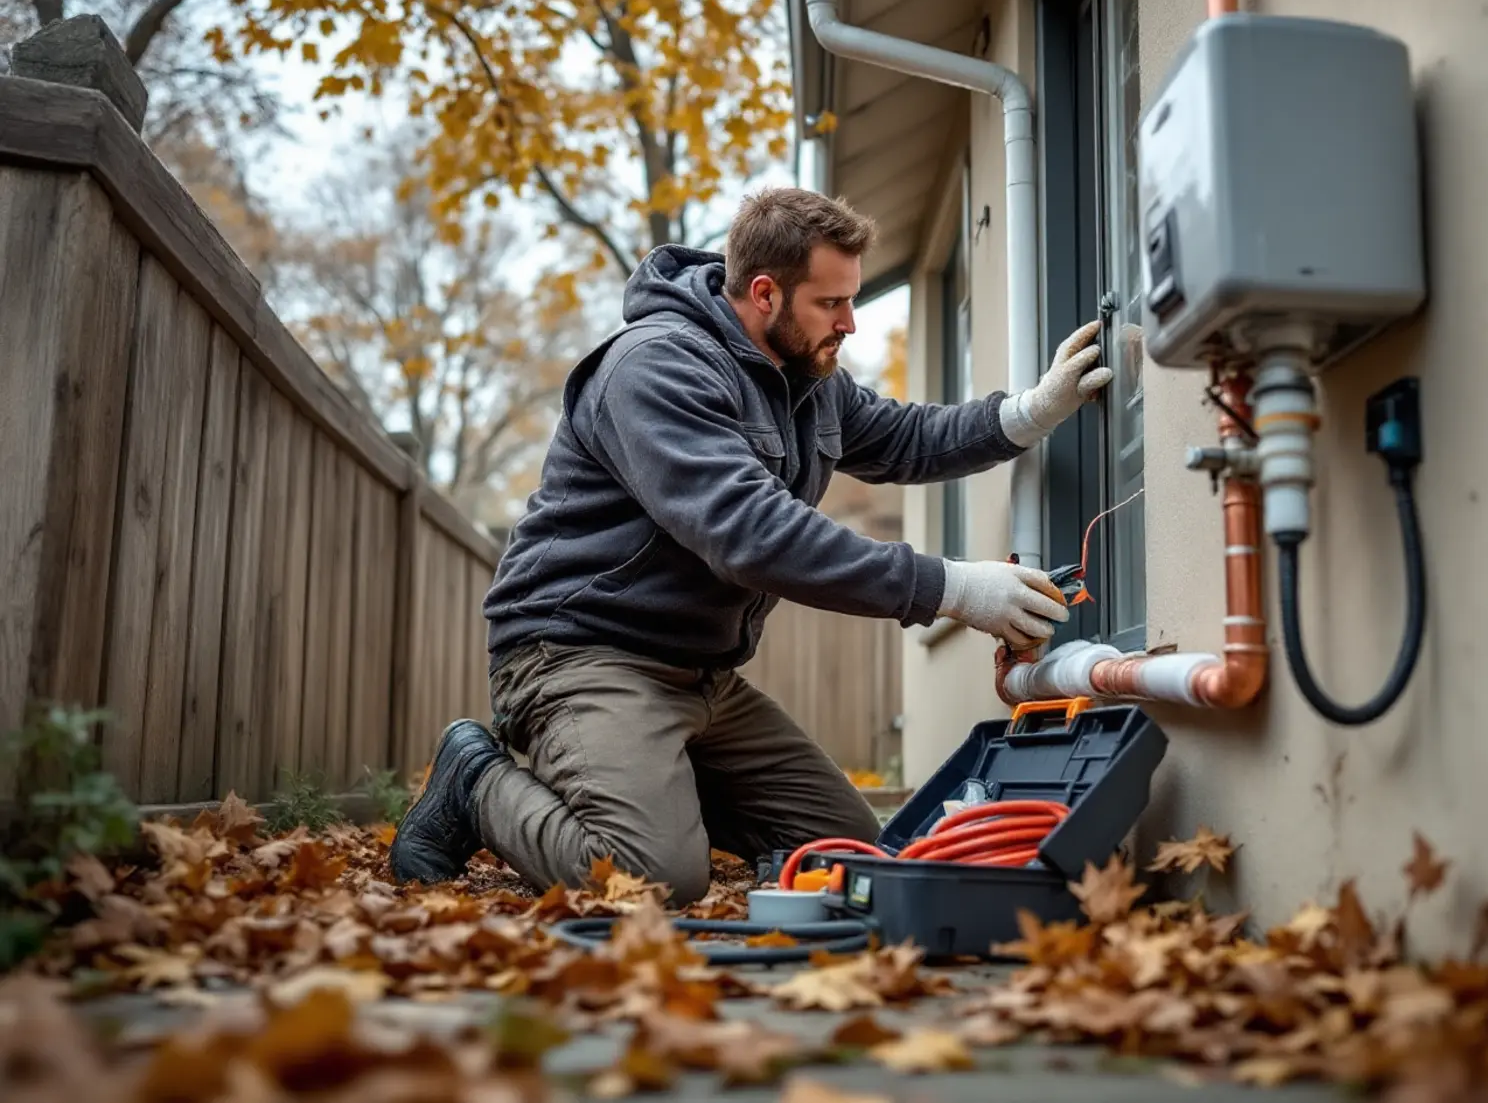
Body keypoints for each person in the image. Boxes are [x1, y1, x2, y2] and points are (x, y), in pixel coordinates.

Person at [389, 187, 1113, 902]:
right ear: (764, 293)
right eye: (832, 303)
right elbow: (750, 533)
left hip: (701, 677)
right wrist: (953, 588)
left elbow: (907, 437)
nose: (850, 322)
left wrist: (1030, 410)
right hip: (581, 654)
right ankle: (475, 779)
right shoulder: (655, 367)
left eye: (851, 300)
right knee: (649, 878)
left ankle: (647, 780)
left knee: (846, 849)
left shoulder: (805, 378)